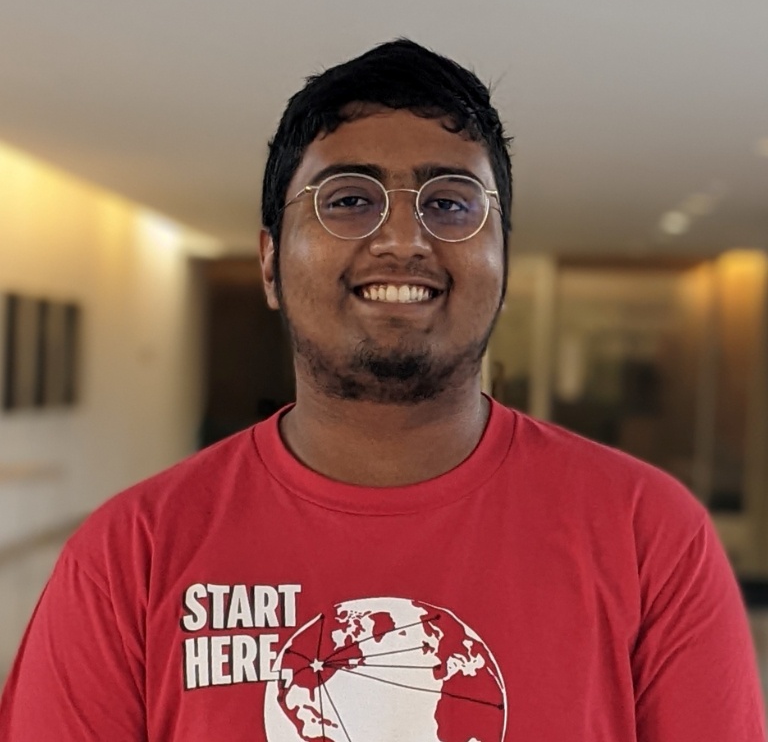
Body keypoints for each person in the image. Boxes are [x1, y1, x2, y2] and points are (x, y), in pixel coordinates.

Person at [0, 39, 764, 741]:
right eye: (349, 200)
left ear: (503, 259)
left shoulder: (650, 539)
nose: (402, 240)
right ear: (270, 263)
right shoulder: (129, 559)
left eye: (451, 203)